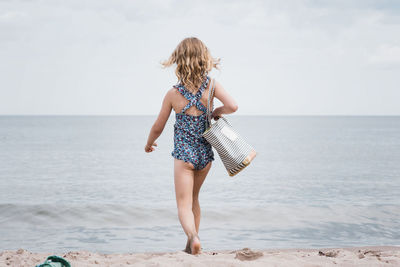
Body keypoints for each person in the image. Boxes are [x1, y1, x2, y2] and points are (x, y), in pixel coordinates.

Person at [144, 37, 238, 255]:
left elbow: (158, 126)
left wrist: (149, 143)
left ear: (179, 61)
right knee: (194, 199)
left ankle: (194, 238)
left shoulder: (173, 94)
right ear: (204, 59)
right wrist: (216, 112)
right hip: (205, 154)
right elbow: (233, 105)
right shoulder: (212, 86)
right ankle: (191, 245)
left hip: (184, 156)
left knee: (183, 205)